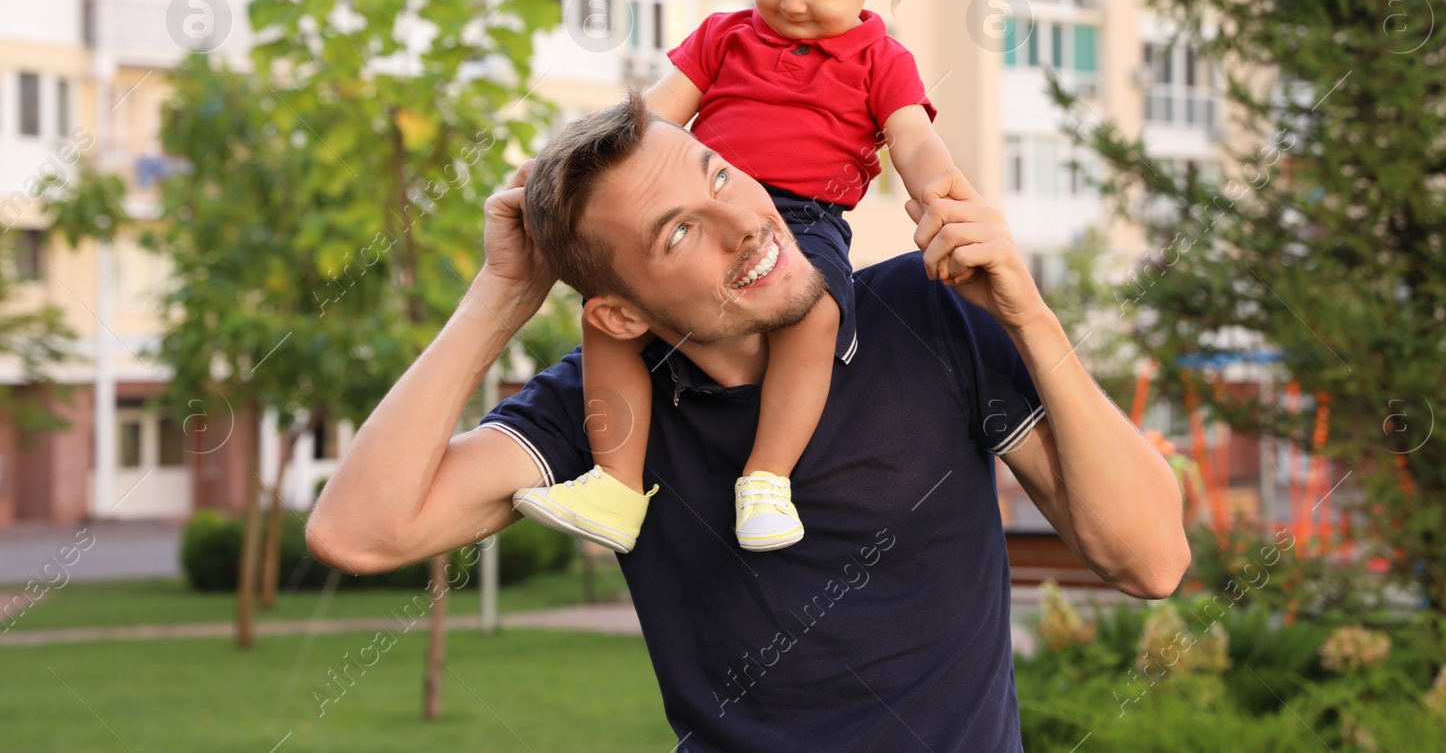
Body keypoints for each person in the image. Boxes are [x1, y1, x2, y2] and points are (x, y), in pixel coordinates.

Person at [306, 97, 1190, 750]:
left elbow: (1149, 558)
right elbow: (361, 530)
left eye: (718, 173)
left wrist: (1032, 318)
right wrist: (501, 296)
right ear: (618, 314)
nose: (744, 223)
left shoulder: (932, 317)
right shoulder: (608, 412)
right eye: (679, 233)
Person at [512, 0, 957, 555]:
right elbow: (651, 119)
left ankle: (766, 477)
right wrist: (571, 170)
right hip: (706, 209)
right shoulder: (724, 38)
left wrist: (940, 191)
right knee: (612, 314)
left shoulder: (880, 58)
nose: (792, 2)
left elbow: (911, 137)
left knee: (811, 315)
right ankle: (618, 485)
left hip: (804, 224)